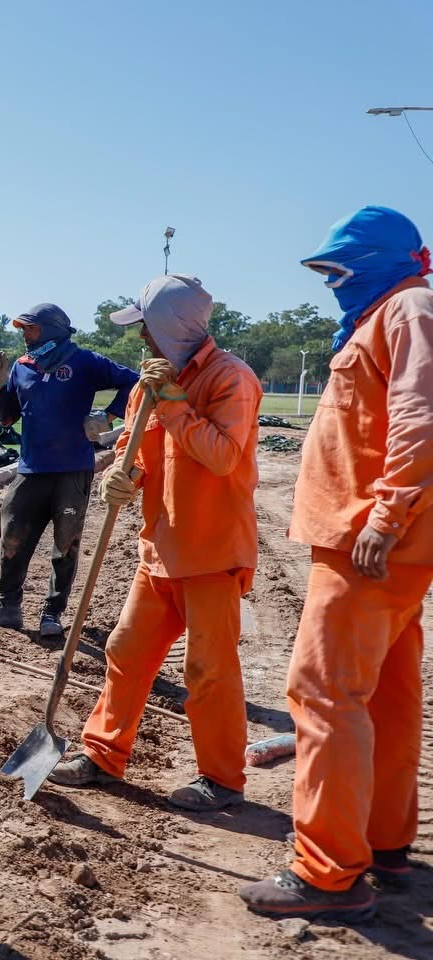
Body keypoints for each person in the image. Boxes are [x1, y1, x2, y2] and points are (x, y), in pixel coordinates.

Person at [241, 206, 433, 922]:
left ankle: (326, 873)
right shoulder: (394, 311)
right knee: (383, 694)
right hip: (377, 542)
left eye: (337, 270)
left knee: (322, 695)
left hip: (368, 544)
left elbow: (421, 416)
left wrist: (386, 516)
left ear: (379, 260)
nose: (330, 285)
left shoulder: (408, 310)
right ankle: (382, 841)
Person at [47, 274, 262, 813]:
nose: (140, 335)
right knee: (125, 650)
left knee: (207, 670)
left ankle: (221, 779)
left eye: (144, 324)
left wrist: (173, 403)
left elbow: (222, 457)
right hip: (159, 548)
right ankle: (102, 755)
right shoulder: (147, 385)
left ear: (167, 325)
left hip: (211, 552)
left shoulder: (229, 379)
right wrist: (122, 477)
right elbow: (134, 450)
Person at [0, 303, 138, 636]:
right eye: (23, 329)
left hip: (72, 470)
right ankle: (8, 608)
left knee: (66, 541)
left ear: (50, 329)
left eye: (30, 328)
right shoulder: (22, 367)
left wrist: (106, 417)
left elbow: (134, 383)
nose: (24, 335)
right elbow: (8, 417)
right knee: (12, 536)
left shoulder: (84, 361)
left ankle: (52, 613)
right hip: (31, 469)